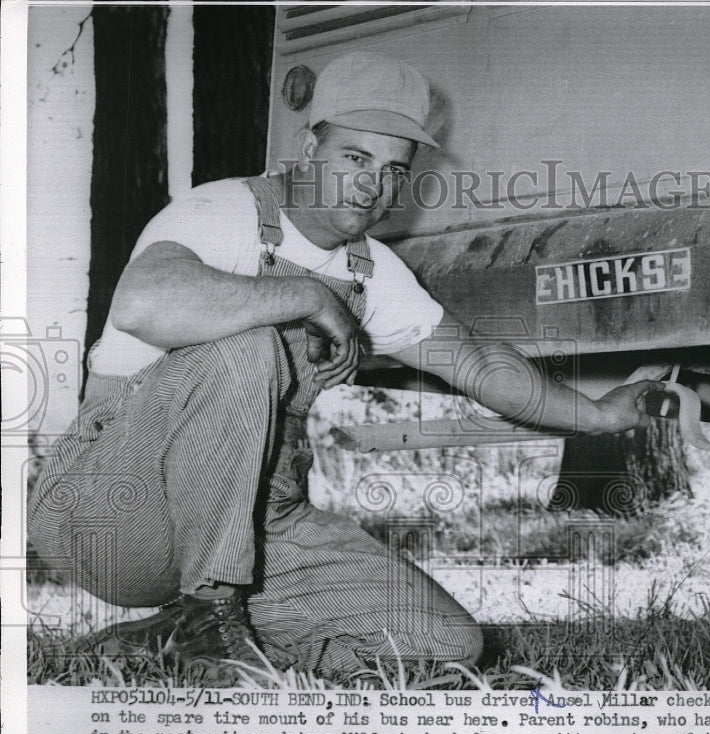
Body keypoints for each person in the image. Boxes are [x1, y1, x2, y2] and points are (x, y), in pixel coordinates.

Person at [27, 51, 660, 678]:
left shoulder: (372, 270)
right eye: (355, 158)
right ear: (308, 146)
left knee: (446, 644)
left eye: (392, 169)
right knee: (246, 341)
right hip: (109, 509)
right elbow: (142, 302)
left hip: (250, 521)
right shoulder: (223, 212)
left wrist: (602, 415)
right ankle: (212, 612)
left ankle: (175, 636)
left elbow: (477, 364)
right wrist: (305, 294)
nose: (373, 185)